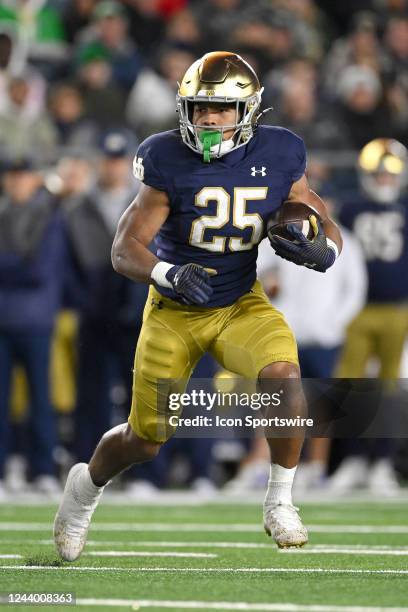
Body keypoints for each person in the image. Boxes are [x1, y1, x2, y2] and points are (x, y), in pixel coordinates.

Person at [54, 51, 342, 560]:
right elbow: (125, 249)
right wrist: (169, 273)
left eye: (221, 109)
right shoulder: (165, 157)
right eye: (199, 108)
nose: (208, 119)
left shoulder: (280, 152)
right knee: (145, 440)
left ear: (248, 111)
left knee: (283, 374)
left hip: (240, 303)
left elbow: (319, 214)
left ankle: (279, 500)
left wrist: (325, 249)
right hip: (174, 311)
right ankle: (85, 488)